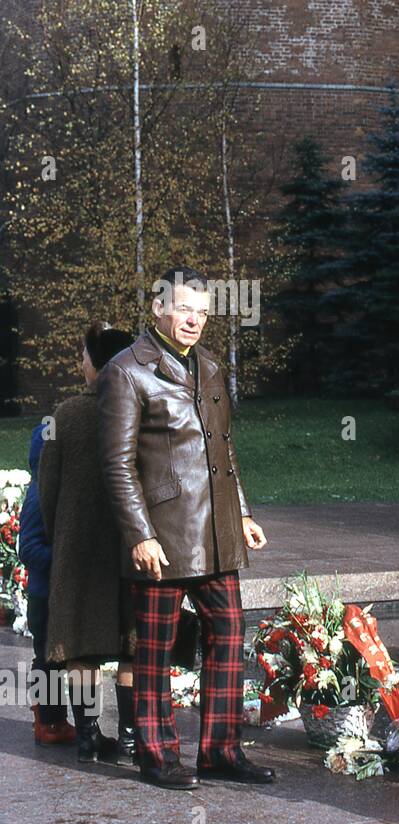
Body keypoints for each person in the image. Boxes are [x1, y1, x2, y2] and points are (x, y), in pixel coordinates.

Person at [98, 266, 272, 790]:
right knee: (154, 648)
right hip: (164, 536)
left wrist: (240, 511)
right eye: (183, 308)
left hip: (218, 532)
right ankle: (158, 755)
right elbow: (116, 464)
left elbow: (224, 452)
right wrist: (139, 535)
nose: (194, 319)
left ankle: (220, 749)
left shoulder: (213, 369)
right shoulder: (127, 371)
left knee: (230, 634)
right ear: (157, 309)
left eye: (202, 310)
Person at [39, 324, 138, 763]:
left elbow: (47, 490)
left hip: (78, 549)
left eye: (84, 355)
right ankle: (134, 736)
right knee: (132, 641)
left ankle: (89, 736)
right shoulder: (141, 409)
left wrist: (62, 532)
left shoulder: (63, 417)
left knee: (81, 647)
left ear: (97, 364)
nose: (80, 362)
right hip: (132, 545)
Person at [18, 419, 74, 746]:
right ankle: (47, 721)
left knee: (56, 658)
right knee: (47, 659)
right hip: (43, 594)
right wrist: (63, 559)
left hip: (55, 592)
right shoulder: (38, 495)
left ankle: (56, 718)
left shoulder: (54, 491)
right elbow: (29, 548)